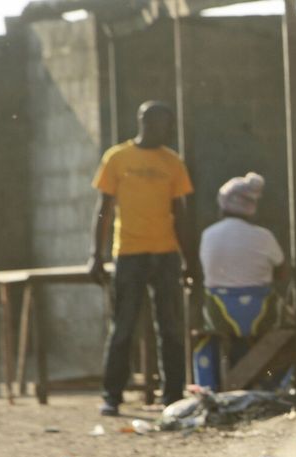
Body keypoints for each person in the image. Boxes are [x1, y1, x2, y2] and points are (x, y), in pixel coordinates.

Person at [88, 101, 195, 416]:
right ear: (142, 123)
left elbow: (181, 214)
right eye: (157, 124)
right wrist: (97, 254)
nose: (162, 130)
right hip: (129, 254)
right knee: (123, 326)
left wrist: (190, 259)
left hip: (165, 254)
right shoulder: (117, 158)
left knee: (171, 327)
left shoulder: (173, 162)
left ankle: (173, 397)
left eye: (167, 125)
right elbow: (104, 209)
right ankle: (112, 396)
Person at [194, 173, 286, 390]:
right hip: (260, 314)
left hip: (220, 313)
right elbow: (282, 271)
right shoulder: (264, 236)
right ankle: (270, 386)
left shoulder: (208, 234)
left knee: (207, 338)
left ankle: (210, 389)